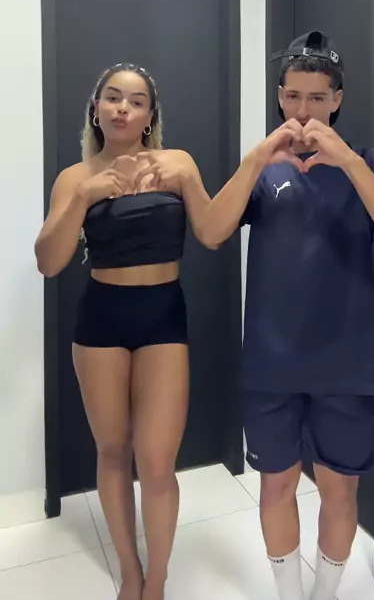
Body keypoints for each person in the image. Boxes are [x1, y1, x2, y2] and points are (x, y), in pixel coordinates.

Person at [167, 30, 374, 600]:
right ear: (279, 96)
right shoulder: (264, 170)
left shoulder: (373, 164)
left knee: (339, 492)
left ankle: (324, 594)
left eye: (316, 98)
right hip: (272, 363)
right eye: (291, 97)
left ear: (337, 99)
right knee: (276, 485)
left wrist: (350, 163)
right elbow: (211, 231)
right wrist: (255, 158)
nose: (303, 111)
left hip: (350, 365)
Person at [34, 62, 222, 600]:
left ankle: (157, 577)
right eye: (113, 97)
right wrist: (85, 197)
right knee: (113, 451)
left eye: (136, 101)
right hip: (101, 319)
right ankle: (130, 569)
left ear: (149, 115)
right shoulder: (75, 177)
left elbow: (212, 233)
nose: (122, 108)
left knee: (157, 462)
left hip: (163, 315)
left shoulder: (177, 162)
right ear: (96, 108)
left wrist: (188, 183)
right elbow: (48, 261)